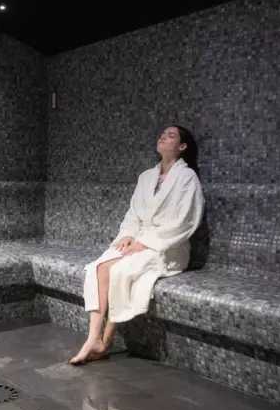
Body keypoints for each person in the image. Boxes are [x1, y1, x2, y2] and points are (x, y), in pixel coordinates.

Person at [70, 125, 205, 365]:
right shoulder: (146, 177)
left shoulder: (187, 178)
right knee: (99, 267)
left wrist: (147, 242)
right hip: (140, 240)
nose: (163, 137)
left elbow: (185, 220)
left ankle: (104, 340)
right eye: (162, 134)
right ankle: (94, 338)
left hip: (167, 247)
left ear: (182, 146)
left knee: (119, 270)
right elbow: (133, 213)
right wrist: (128, 235)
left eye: (171, 136)